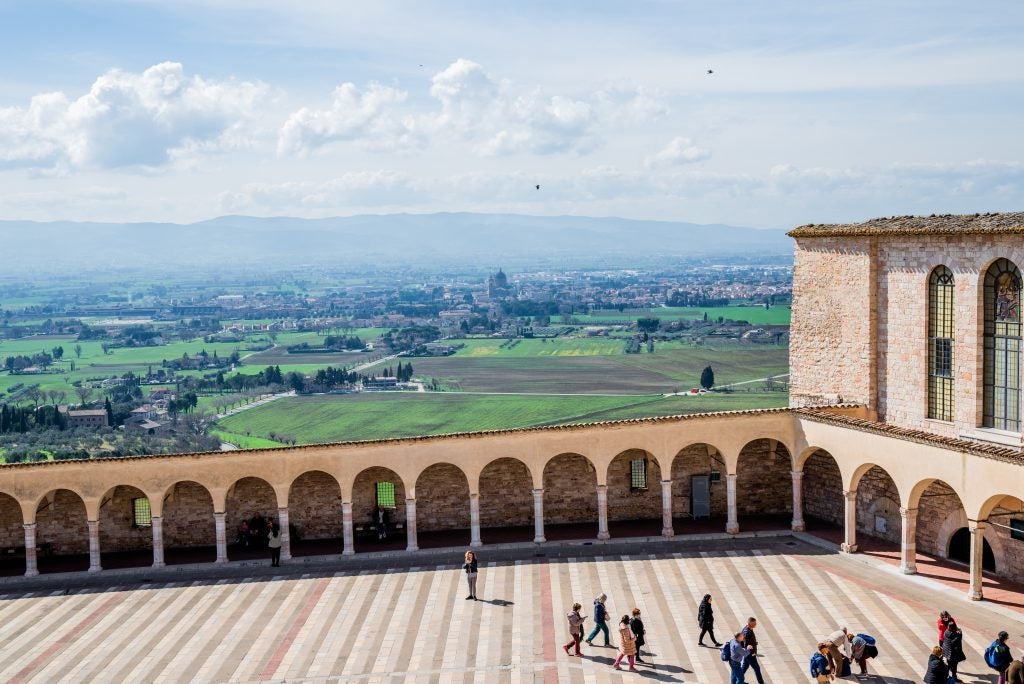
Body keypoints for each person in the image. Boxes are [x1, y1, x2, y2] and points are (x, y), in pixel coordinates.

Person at [741, 617, 765, 684]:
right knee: (757, 668)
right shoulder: (747, 632)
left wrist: (754, 643)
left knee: (745, 666)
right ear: (749, 623)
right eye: (754, 623)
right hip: (750, 654)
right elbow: (746, 645)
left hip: (747, 653)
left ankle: (739, 680)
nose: (756, 624)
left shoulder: (747, 629)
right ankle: (761, 682)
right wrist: (752, 653)